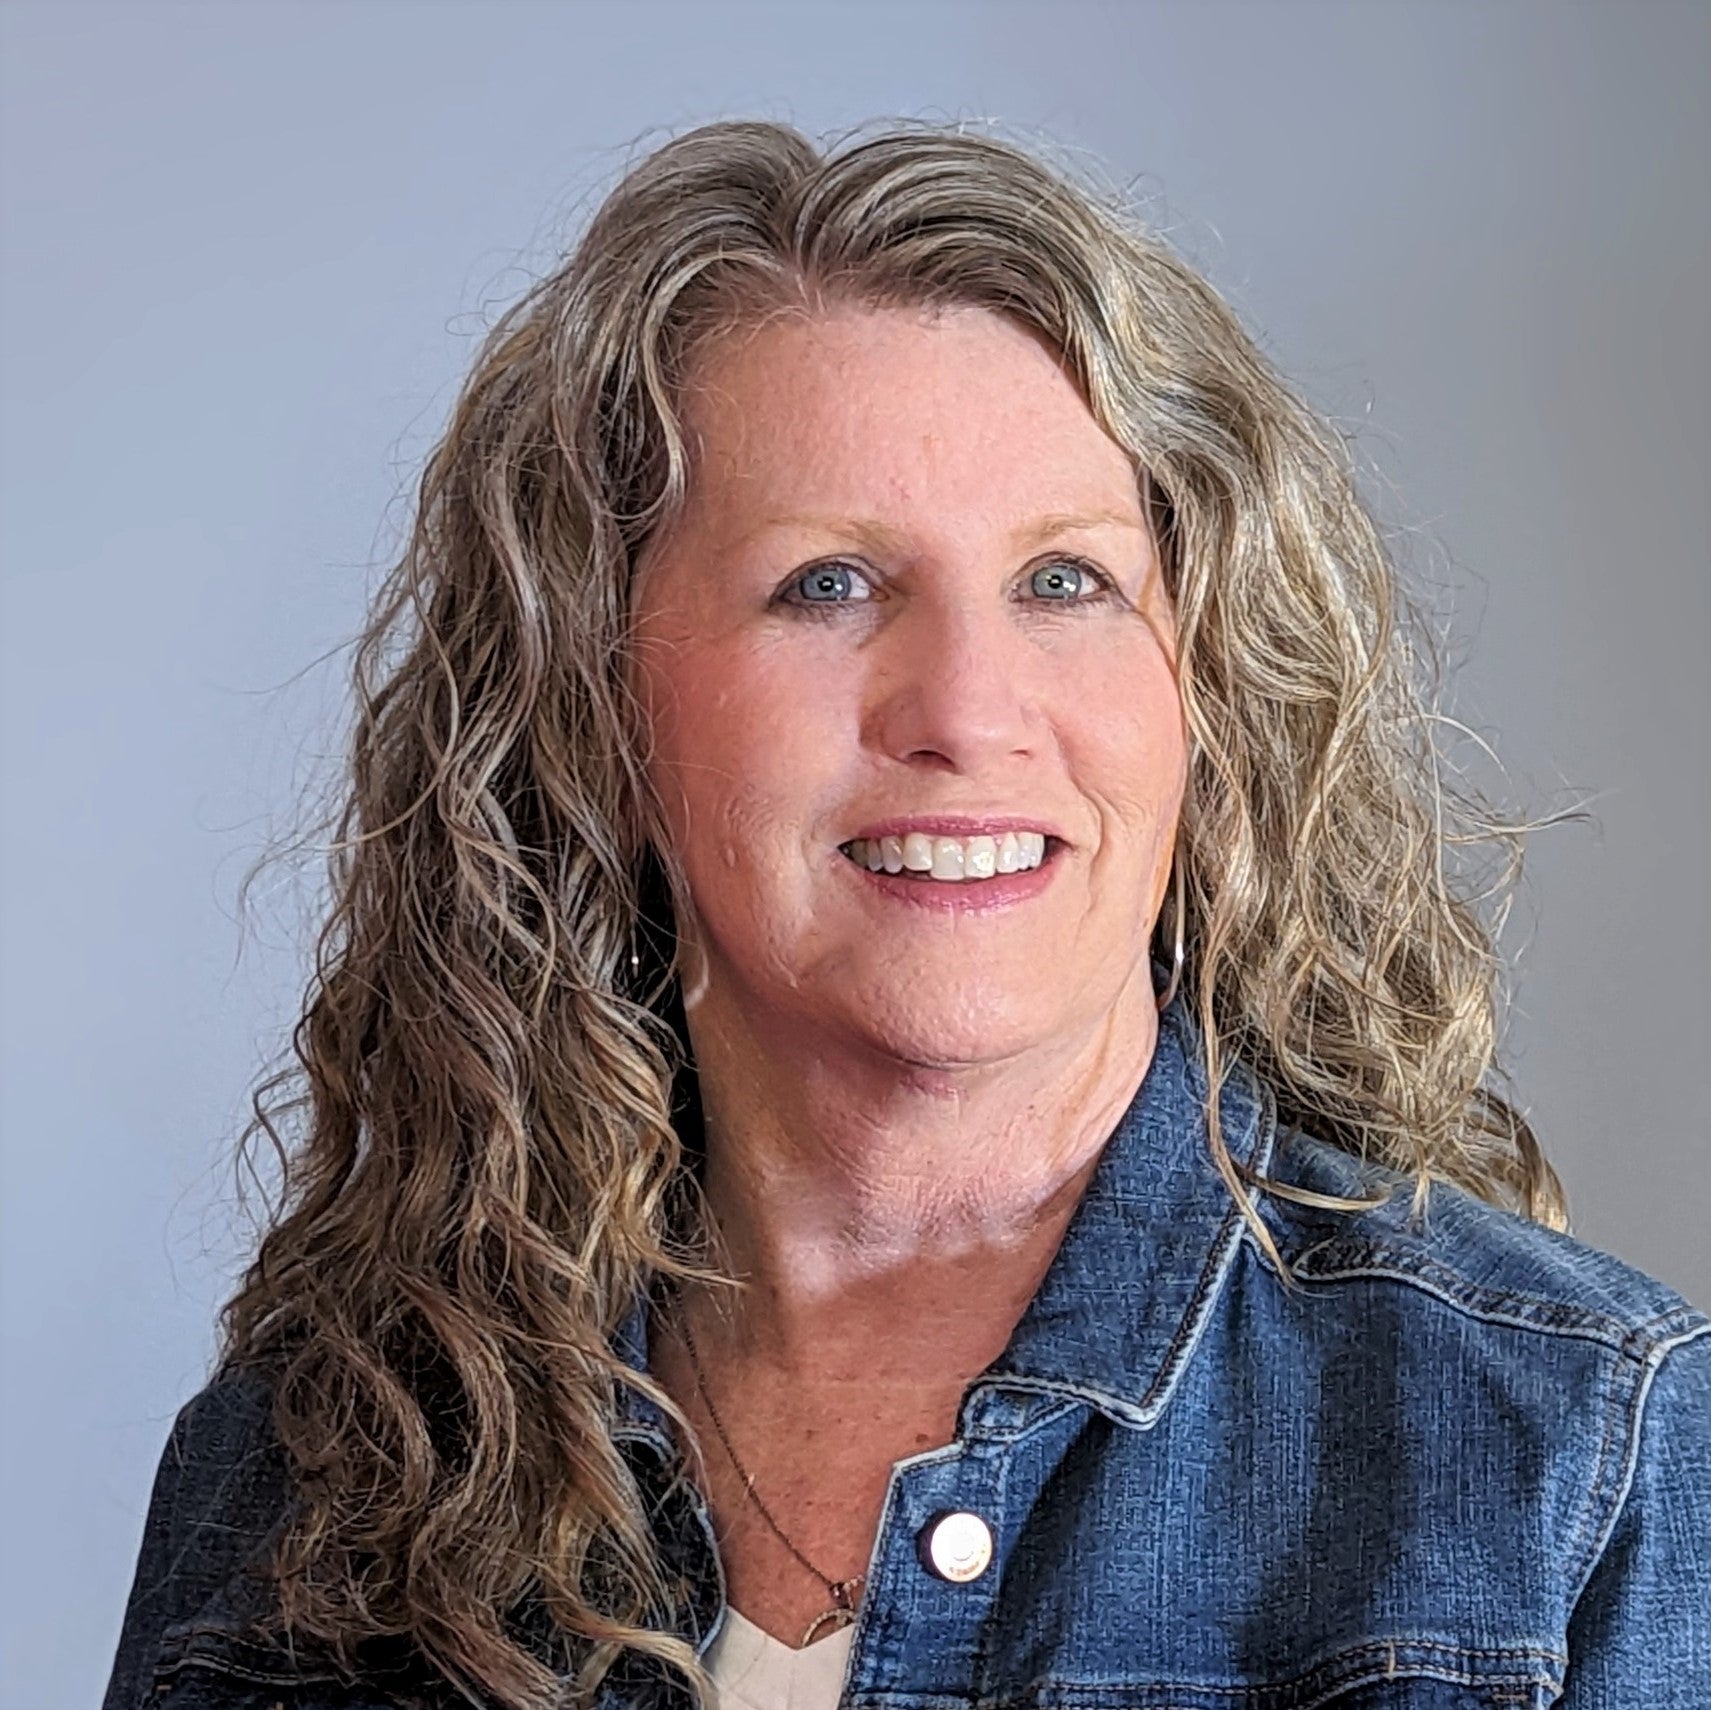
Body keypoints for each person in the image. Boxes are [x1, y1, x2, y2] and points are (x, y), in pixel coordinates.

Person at [103, 119, 1711, 1710]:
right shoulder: (304, 1477)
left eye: (1065, 579)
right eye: (830, 584)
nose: (964, 707)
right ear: (593, 702)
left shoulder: (1581, 1461)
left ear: (1203, 682)